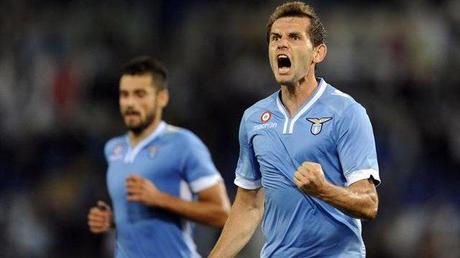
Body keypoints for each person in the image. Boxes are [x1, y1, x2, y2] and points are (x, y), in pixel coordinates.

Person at [209, 2, 380, 258]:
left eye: (294, 37)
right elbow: (248, 206)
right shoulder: (254, 118)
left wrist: (323, 189)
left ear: (318, 53)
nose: (281, 44)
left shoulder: (347, 112)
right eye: (275, 38)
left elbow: (369, 203)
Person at [87, 56, 230, 258]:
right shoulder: (114, 149)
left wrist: (160, 199)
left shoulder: (184, 144)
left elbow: (223, 214)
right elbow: (143, 217)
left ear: (162, 98)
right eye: (124, 95)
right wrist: (113, 220)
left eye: (140, 94)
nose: (130, 103)